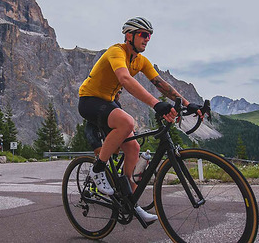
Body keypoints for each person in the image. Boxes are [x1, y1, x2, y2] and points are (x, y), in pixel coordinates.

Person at [78, 17, 202, 223]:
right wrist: (156, 104)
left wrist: (188, 104)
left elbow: (160, 84)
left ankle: (131, 204)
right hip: (89, 100)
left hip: (109, 103)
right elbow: (125, 80)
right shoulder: (116, 51)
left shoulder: (141, 61)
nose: (148, 39)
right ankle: (97, 170)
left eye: (150, 36)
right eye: (144, 34)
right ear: (130, 36)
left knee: (133, 148)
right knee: (127, 122)